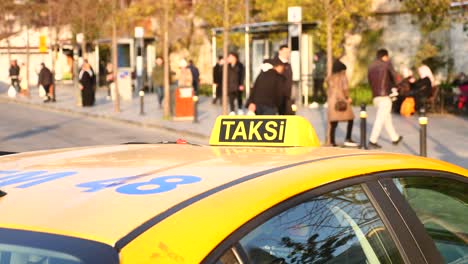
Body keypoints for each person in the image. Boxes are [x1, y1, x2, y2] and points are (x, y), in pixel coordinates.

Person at [367, 49, 403, 148]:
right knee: (380, 119)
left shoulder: (371, 67)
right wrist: (398, 87)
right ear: (385, 56)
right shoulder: (386, 65)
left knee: (387, 118)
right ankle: (372, 140)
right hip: (385, 96)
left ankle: (394, 138)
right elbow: (395, 78)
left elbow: (370, 82)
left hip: (376, 96)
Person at [327, 60, 358, 147]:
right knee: (351, 119)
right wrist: (348, 98)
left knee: (334, 122)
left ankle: (332, 141)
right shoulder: (342, 76)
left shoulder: (330, 78)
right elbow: (345, 88)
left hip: (332, 102)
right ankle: (348, 138)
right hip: (342, 100)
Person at [274, 45, 294, 115]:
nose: (287, 54)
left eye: (288, 52)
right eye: (285, 52)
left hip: (286, 96)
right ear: (280, 52)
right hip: (276, 97)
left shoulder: (288, 64)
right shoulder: (275, 63)